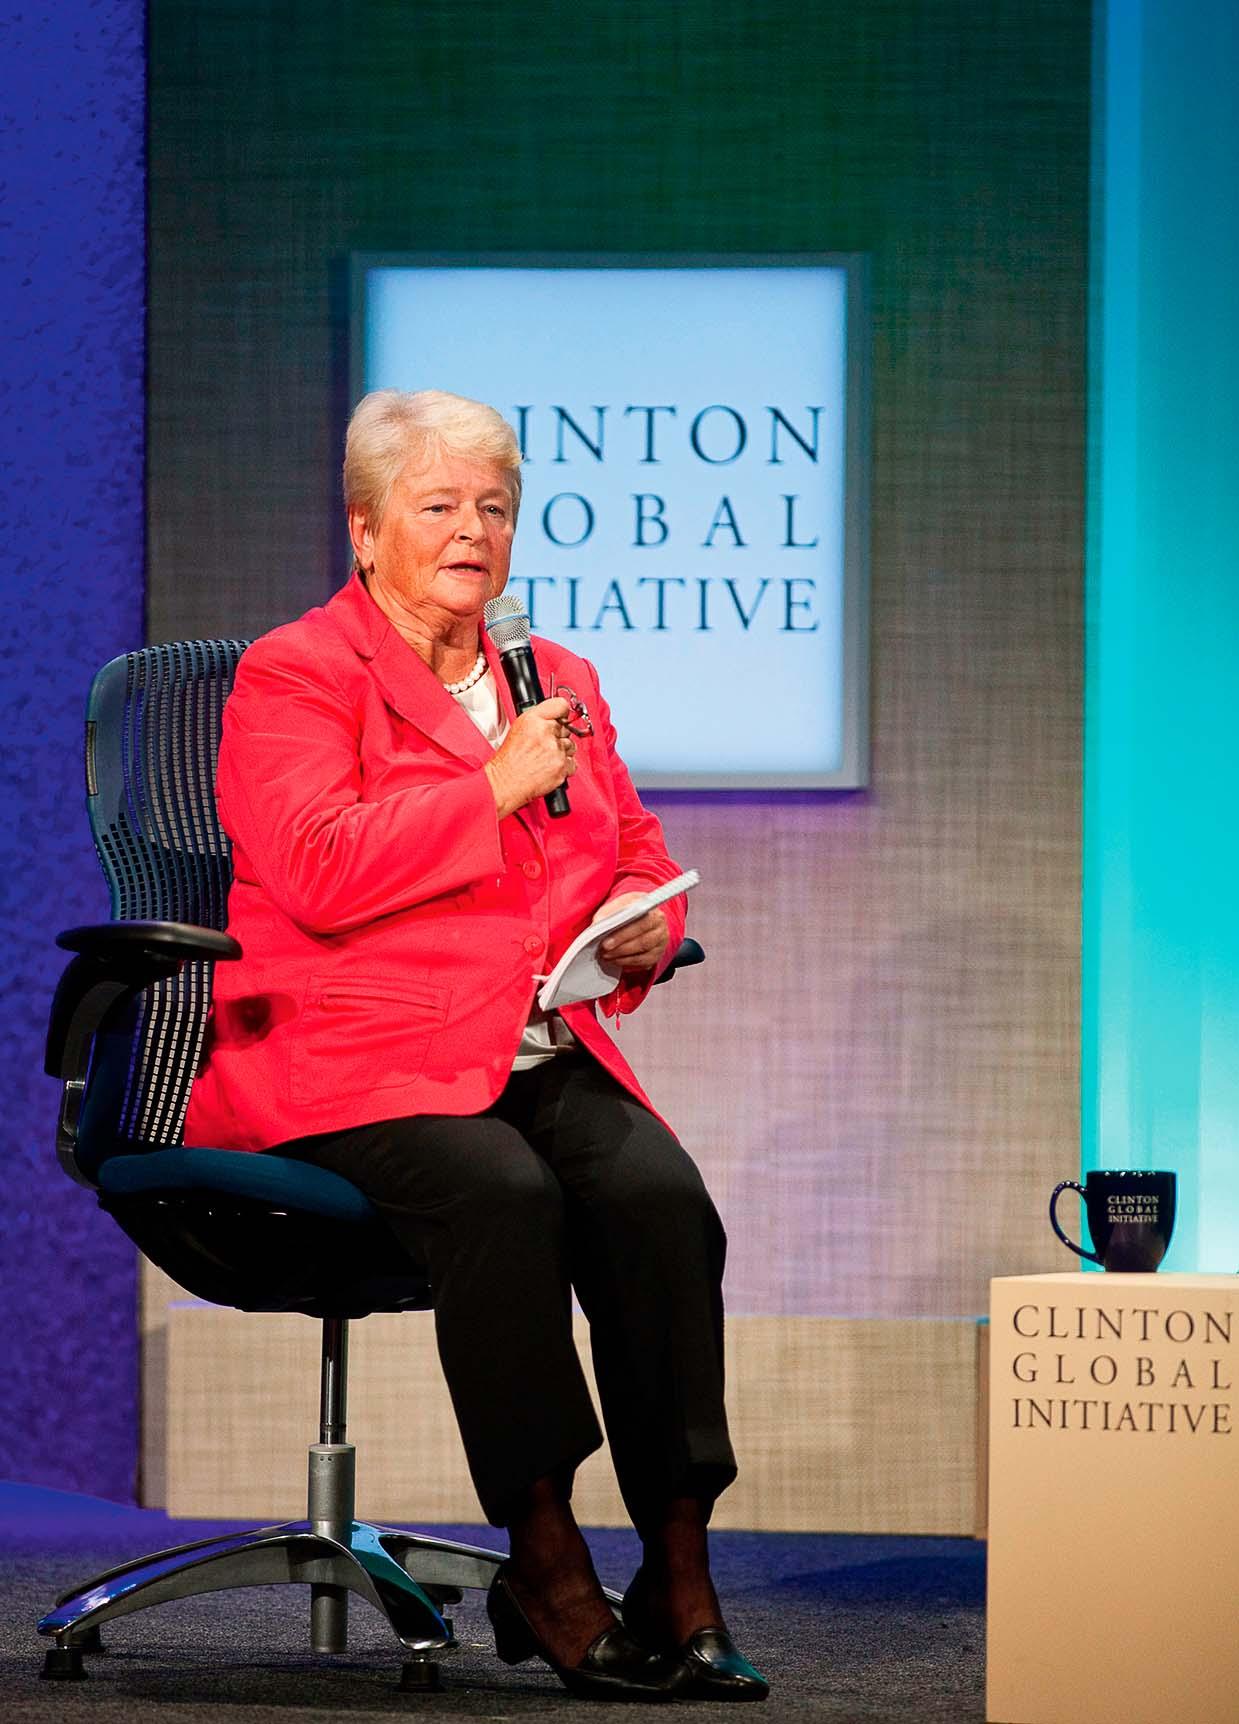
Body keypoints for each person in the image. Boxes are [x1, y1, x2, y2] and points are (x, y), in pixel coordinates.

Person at [185, 388, 767, 1702]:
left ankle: (680, 1567)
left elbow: (628, 849)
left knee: (662, 1201)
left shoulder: (554, 678)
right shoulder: (298, 673)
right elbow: (318, 869)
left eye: (494, 508)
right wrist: (491, 782)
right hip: (354, 1056)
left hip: (527, 1044)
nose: (472, 531)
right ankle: (545, 1557)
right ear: (365, 530)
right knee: (503, 1195)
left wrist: (646, 926)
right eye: (439, 505)